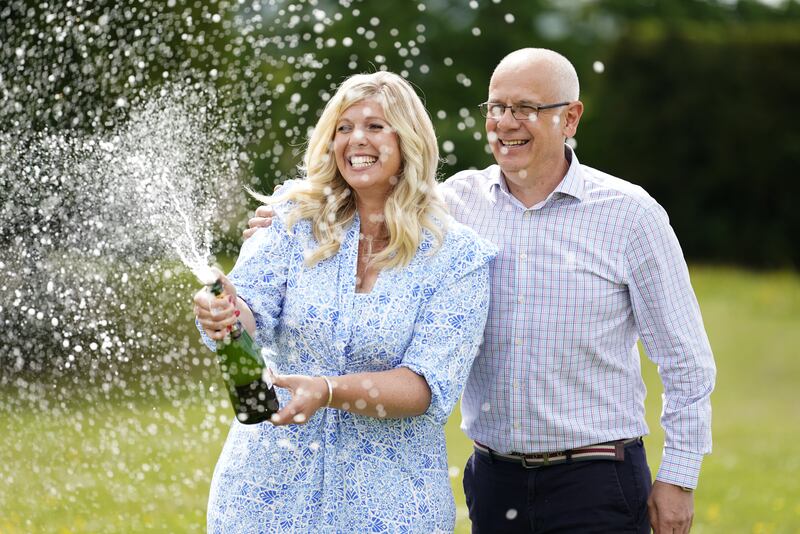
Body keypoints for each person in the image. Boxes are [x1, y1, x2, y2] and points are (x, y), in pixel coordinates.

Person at [248, 49, 716, 534]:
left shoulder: (629, 214)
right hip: (494, 481)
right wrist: (289, 218)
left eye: (525, 109)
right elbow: (369, 204)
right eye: (496, 108)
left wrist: (679, 478)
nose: (506, 123)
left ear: (570, 117)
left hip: (597, 479)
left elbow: (685, 360)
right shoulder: (451, 208)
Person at [194, 71, 496, 533]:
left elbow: (424, 388)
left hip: (390, 506)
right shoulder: (292, 221)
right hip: (266, 494)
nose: (357, 138)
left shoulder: (456, 255)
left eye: (375, 126)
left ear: (408, 140)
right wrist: (226, 311)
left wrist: (329, 391)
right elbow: (250, 314)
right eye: (344, 127)